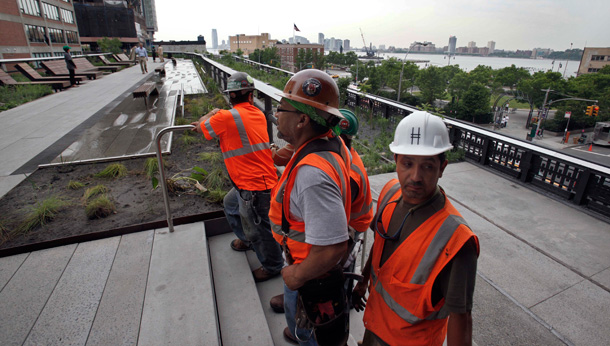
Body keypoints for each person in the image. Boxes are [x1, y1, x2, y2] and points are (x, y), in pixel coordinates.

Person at [353, 111, 480, 346]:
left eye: (428, 166)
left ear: (442, 168)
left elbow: (461, 318)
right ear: (396, 160)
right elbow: (380, 245)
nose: (415, 177)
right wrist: (363, 282)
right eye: (407, 164)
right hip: (373, 328)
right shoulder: (390, 192)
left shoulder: (457, 241)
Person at [270, 69, 352, 345]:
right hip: (310, 269)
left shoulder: (312, 175)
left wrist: (296, 275)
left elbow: (332, 247)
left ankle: (302, 334)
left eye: (281, 109)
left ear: (303, 120)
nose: (277, 115)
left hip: (310, 276)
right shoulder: (329, 144)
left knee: (311, 336)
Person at [191, 72, 283, 283]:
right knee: (230, 205)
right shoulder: (258, 113)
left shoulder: (224, 117)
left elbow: (200, 128)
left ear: (231, 96)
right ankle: (247, 239)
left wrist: (210, 114)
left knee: (261, 229)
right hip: (254, 182)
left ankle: (272, 266)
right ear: (251, 96)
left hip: (255, 187)